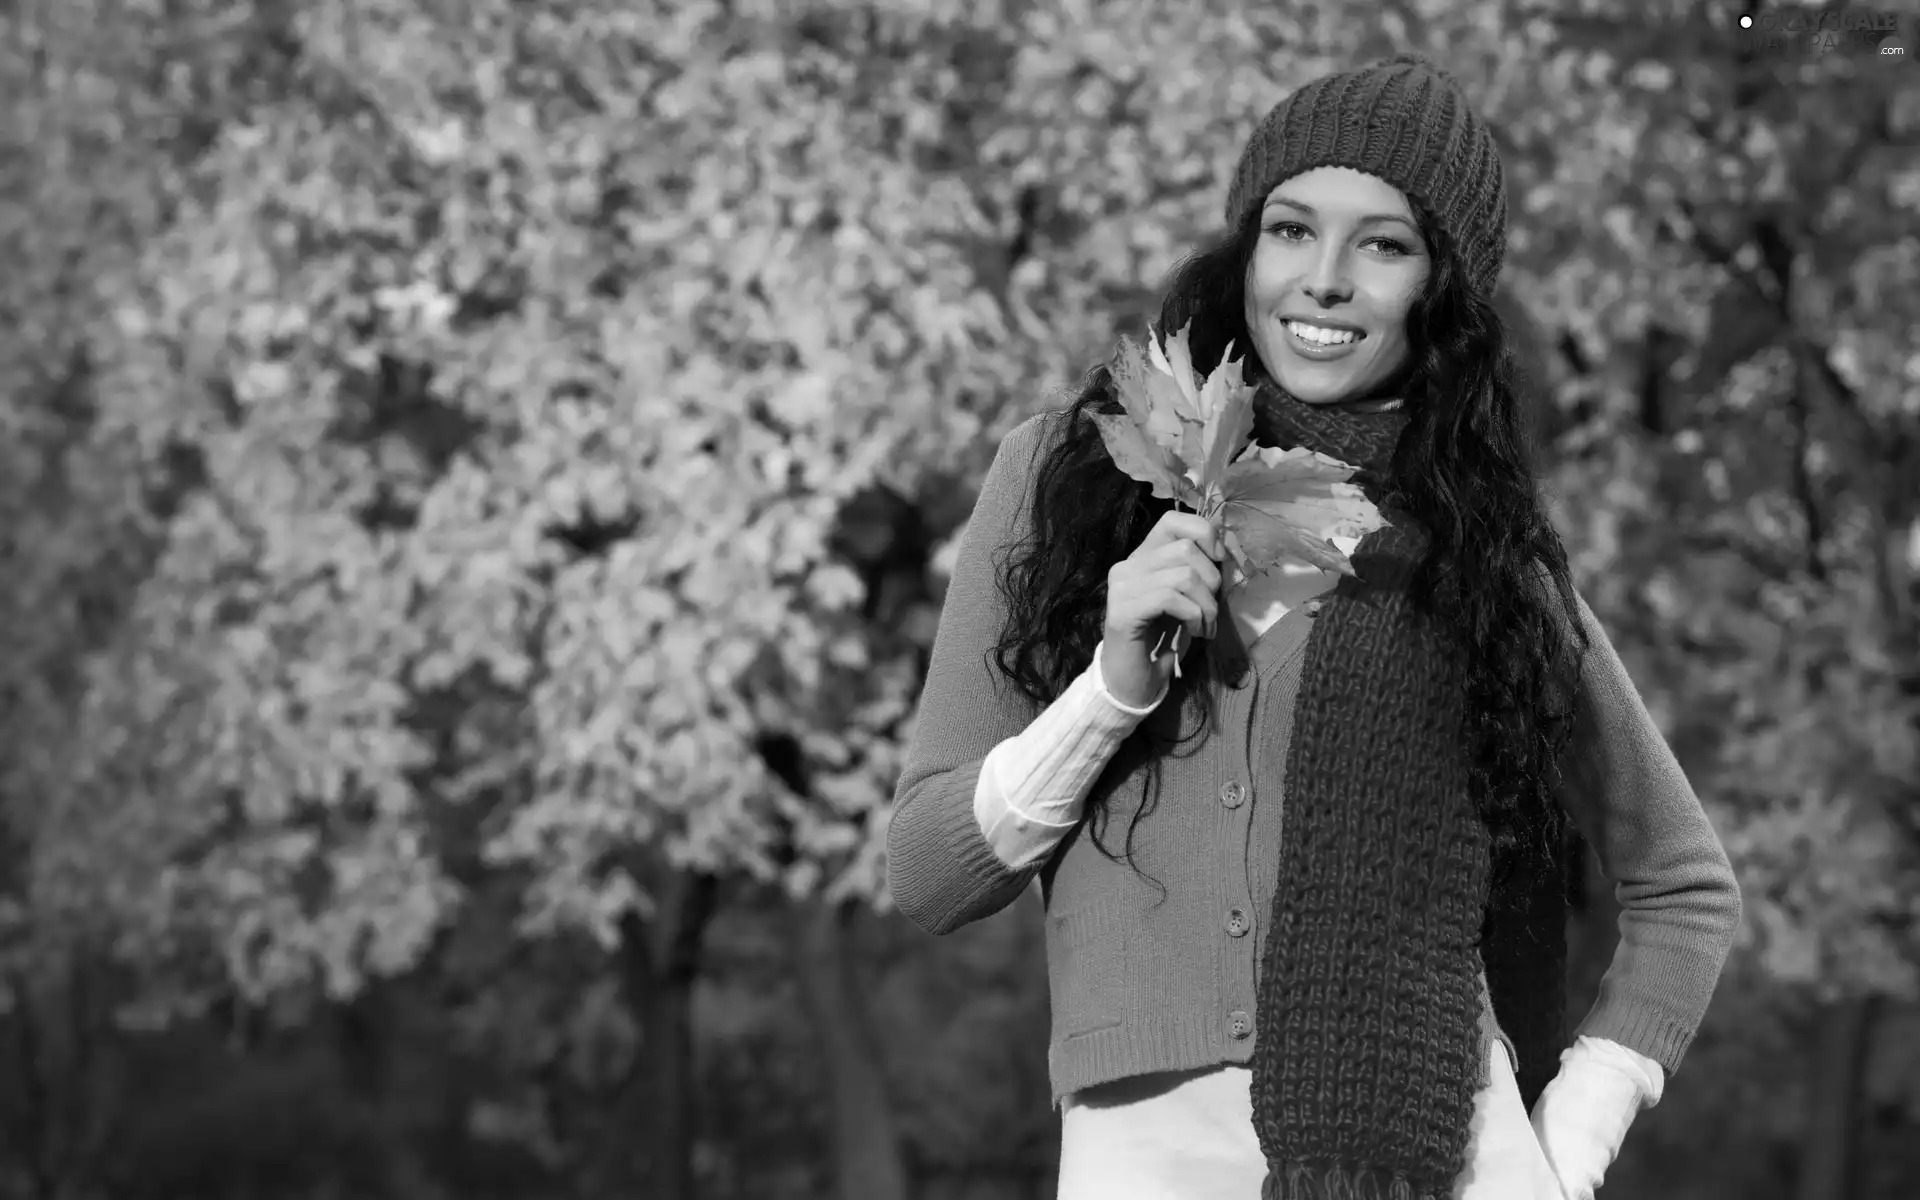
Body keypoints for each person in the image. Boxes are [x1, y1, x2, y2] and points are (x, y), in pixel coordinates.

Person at [886, 53, 1741, 1200]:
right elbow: (933, 875)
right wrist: (1113, 688)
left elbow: (1685, 884)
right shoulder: (1065, 478)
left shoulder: (1479, 563)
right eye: (1292, 229)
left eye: (1383, 245)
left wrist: (1567, 1142)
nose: (1325, 279)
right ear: (1246, 249)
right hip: (1148, 1150)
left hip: (1436, 1147)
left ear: (1439, 291)